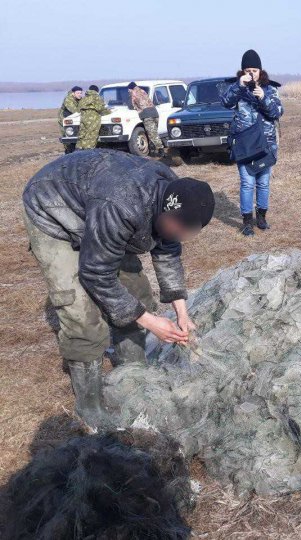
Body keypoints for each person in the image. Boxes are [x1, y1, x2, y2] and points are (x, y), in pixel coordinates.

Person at [22, 149, 215, 429]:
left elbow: (168, 248)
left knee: (137, 296)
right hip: (53, 210)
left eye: (189, 232)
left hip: (100, 209)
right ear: (165, 209)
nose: (180, 235)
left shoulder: (176, 199)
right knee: (82, 318)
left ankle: (132, 376)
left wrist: (180, 311)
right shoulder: (122, 204)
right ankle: (90, 407)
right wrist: (151, 323)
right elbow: (96, 272)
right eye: (177, 227)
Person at [221, 49, 283, 236]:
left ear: (260, 71)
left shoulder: (270, 89)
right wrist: (239, 87)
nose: (251, 73)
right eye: (247, 70)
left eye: (254, 70)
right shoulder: (237, 88)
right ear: (242, 72)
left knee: (263, 183)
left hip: (267, 143)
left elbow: (277, 113)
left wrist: (263, 98)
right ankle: (247, 221)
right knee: (247, 183)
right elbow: (225, 102)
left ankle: (261, 217)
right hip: (245, 144)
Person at [128, 81, 166, 157]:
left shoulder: (134, 93)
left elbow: (131, 105)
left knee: (152, 134)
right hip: (154, 113)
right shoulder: (143, 91)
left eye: (128, 90)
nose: (128, 91)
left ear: (131, 88)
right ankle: (153, 151)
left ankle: (161, 151)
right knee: (153, 132)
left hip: (147, 115)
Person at [76, 85, 111, 150]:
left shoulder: (84, 98)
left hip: (83, 118)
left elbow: (78, 109)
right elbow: (100, 108)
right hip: (93, 118)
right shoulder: (96, 97)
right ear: (96, 91)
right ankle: (88, 150)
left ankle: (79, 149)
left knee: (82, 134)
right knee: (92, 134)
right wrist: (108, 112)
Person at [57, 86, 82, 154]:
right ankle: (68, 152)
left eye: (81, 93)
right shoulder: (68, 99)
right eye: (78, 93)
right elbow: (74, 110)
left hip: (74, 119)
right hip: (64, 120)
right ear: (73, 93)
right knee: (67, 136)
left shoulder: (79, 99)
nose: (80, 94)